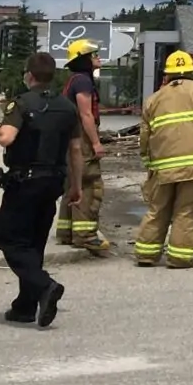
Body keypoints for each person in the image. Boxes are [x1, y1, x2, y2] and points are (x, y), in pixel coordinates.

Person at [0, 52, 83, 327]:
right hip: (53, 182)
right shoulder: (67, 107)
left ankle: (45, 286)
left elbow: (7, 138)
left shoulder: (21, 104)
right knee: (34, 243)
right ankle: (25, 306)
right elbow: (76, 150)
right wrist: (76, 187)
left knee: (8, 238)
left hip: (24, 181)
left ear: (29, 75)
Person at [135, 50, 193, 268]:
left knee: (158, 209)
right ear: (192, 72)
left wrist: (147, 158)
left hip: (163, 165)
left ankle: (145, 254)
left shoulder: (154, 99)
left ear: (167, 75)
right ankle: (179, 257)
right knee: (187, 210)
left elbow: (145, 135)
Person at [53, 39, 110, 256]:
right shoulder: (84, 82)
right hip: (82, 139)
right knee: (89, 184)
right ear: (84, 59)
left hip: (70, 137)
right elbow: (86, 114)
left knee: (72, 184)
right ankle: (85, 235)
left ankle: (66, 232)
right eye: (94, 55)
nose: (98, 58)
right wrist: (96, 143)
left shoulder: (73, 80)